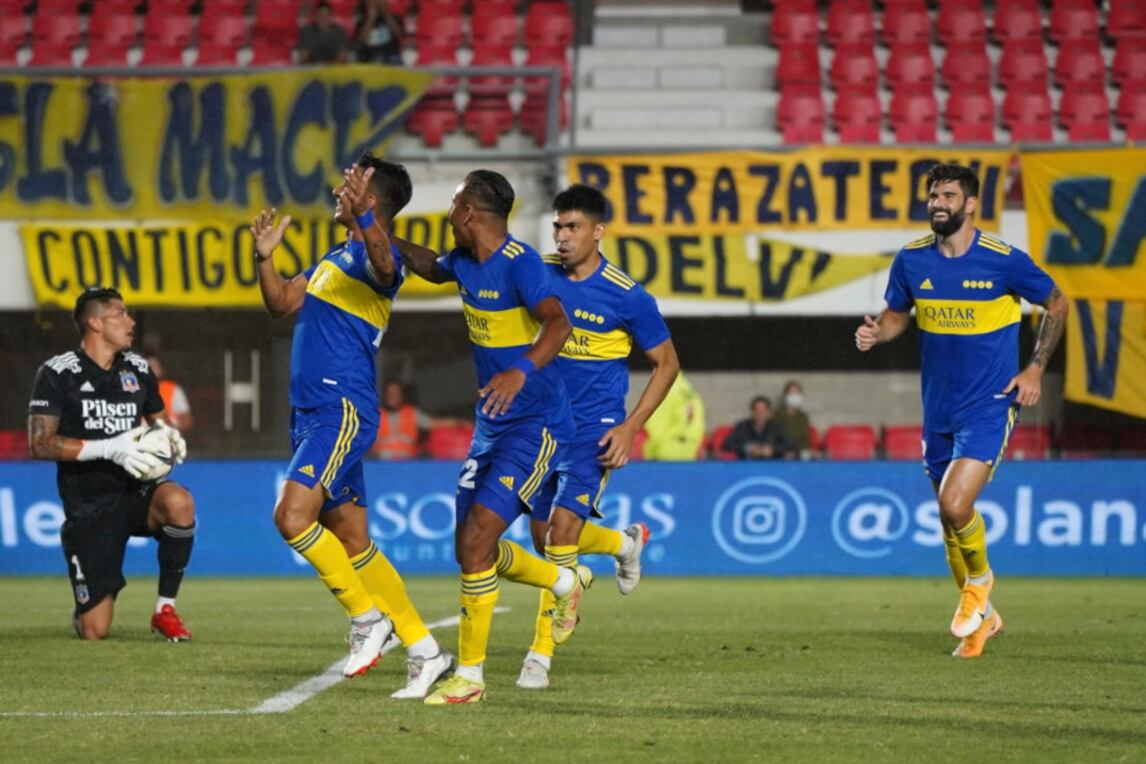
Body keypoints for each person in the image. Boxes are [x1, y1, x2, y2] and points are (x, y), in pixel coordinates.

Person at [360, 169, 592, 705]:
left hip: (536, 421)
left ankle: (470, 676)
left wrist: (519, 372)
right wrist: (371, 224)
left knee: (479, 538)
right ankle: (563, 583)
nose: (447, 214)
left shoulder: (521, 263)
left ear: (469, 212)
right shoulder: (463, 262)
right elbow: (425, 264)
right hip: (493, 422)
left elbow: (558, 324)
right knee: (469, 547)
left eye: (453, 204)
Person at [250, 154, 453, 697]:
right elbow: (280, 303)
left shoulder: (376, 256)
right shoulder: (336, 257)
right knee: (354, 540)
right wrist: (265, 259)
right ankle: (425, 650)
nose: (338, 191)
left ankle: (367, 619)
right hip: (311, 412)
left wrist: (366, 218)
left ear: (372, 198)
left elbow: (385, 266)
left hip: (340, 408)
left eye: (350, 185)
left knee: (292, 517)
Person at [855, 162, 1068, 659]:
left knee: (955, 505)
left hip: (989, 403)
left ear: (971, 204)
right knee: (949, 520)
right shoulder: (911, 260)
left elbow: (1057, 304)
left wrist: (1035, 369)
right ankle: (983, 621)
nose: (938, 203)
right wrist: (877, 332)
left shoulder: (1003, 260)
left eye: (948, 195)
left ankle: (980, 582)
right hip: (938, 408)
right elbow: (897, 316)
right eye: (934, 195)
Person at [514, 183, 681, 690]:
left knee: (562, 535)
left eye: (573, 227)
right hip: (542, 425)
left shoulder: (628, 296)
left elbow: (667, 364)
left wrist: (630, 427)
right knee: (542, 538)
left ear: (598, 232)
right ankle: (624, 544)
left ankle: (539, 655)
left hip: (594, 430)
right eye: (558, 227)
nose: (562, 236)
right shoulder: (538, 273)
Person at [27, 287, 194, 642]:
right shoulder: (58, 373)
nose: (130, 322)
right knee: (94, 631)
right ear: (95, 323)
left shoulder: (138, 368)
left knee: (179, 502)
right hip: (90, 504)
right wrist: (109, 448)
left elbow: (159, 423)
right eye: (120, 314)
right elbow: (40, 444)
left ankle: (165, 610)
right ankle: (85, 606)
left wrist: (169, 438)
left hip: (135, 492)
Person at [641, 372, 705, 460]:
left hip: (665, 451)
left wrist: (648, 452)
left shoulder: (663, 388)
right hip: (690, 451)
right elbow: (699, 423)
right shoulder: (689, 389)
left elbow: (655, 427)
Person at [371, 381, 431, 459]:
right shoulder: (374, 416)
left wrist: (449, 422)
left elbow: (434, 423)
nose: (393, 396)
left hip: (408, 461)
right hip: (380, 462)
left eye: (396, 393)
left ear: (402, 396)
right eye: (390, 393)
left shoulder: (412, 413)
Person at [723, 395, 791, 460]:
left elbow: (790, 444)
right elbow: (727, 444)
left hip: (771, 464)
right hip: (746, 464)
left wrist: (773, 449)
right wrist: (747, 448)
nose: (760, 413)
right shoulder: (742, 426)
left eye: (763, 410)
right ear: (752, 412)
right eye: (757, 410)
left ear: (769, 412)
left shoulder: (777, 427)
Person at [144, 354, 194, 433]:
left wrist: (172, 431)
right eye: (148, 366)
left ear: (161, 369)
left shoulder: (172, 389)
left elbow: (186, 420)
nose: (151, 369)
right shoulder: (133, 390)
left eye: (154, 366)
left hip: (166, 436)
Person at [354, 0, 404, 65]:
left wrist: (386, 15)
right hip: (368, 56)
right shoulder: (362, 21)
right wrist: (371, 18)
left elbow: (398, 34)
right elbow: (362, 39)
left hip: (390, 55)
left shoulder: (395, 18)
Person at [773, 380, 812, 458]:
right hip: (781, 452)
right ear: (785, 395)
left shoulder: (803, 416)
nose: (794, 395)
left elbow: (804, 438)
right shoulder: (776, 415)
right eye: (791, 393)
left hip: (799, 452)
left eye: (796, 393)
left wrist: (799, 452)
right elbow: (777, 436)